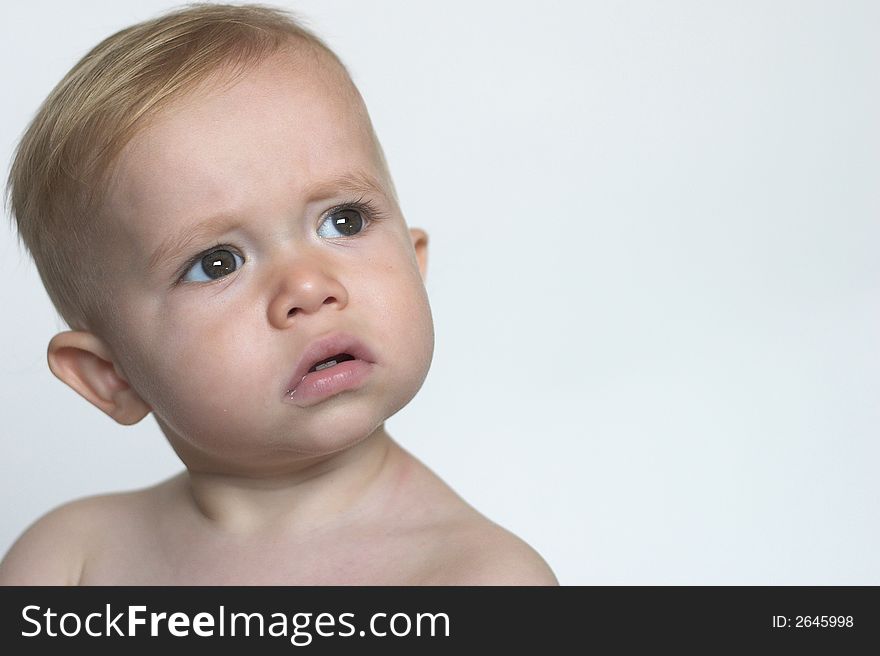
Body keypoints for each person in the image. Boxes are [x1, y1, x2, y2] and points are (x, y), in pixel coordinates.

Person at [0, 3, 557, 585]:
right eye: (217, 263)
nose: (309, 287)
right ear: (109, 375)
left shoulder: (479, 580)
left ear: (415, 267)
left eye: (343, 221)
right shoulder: (68, 563)